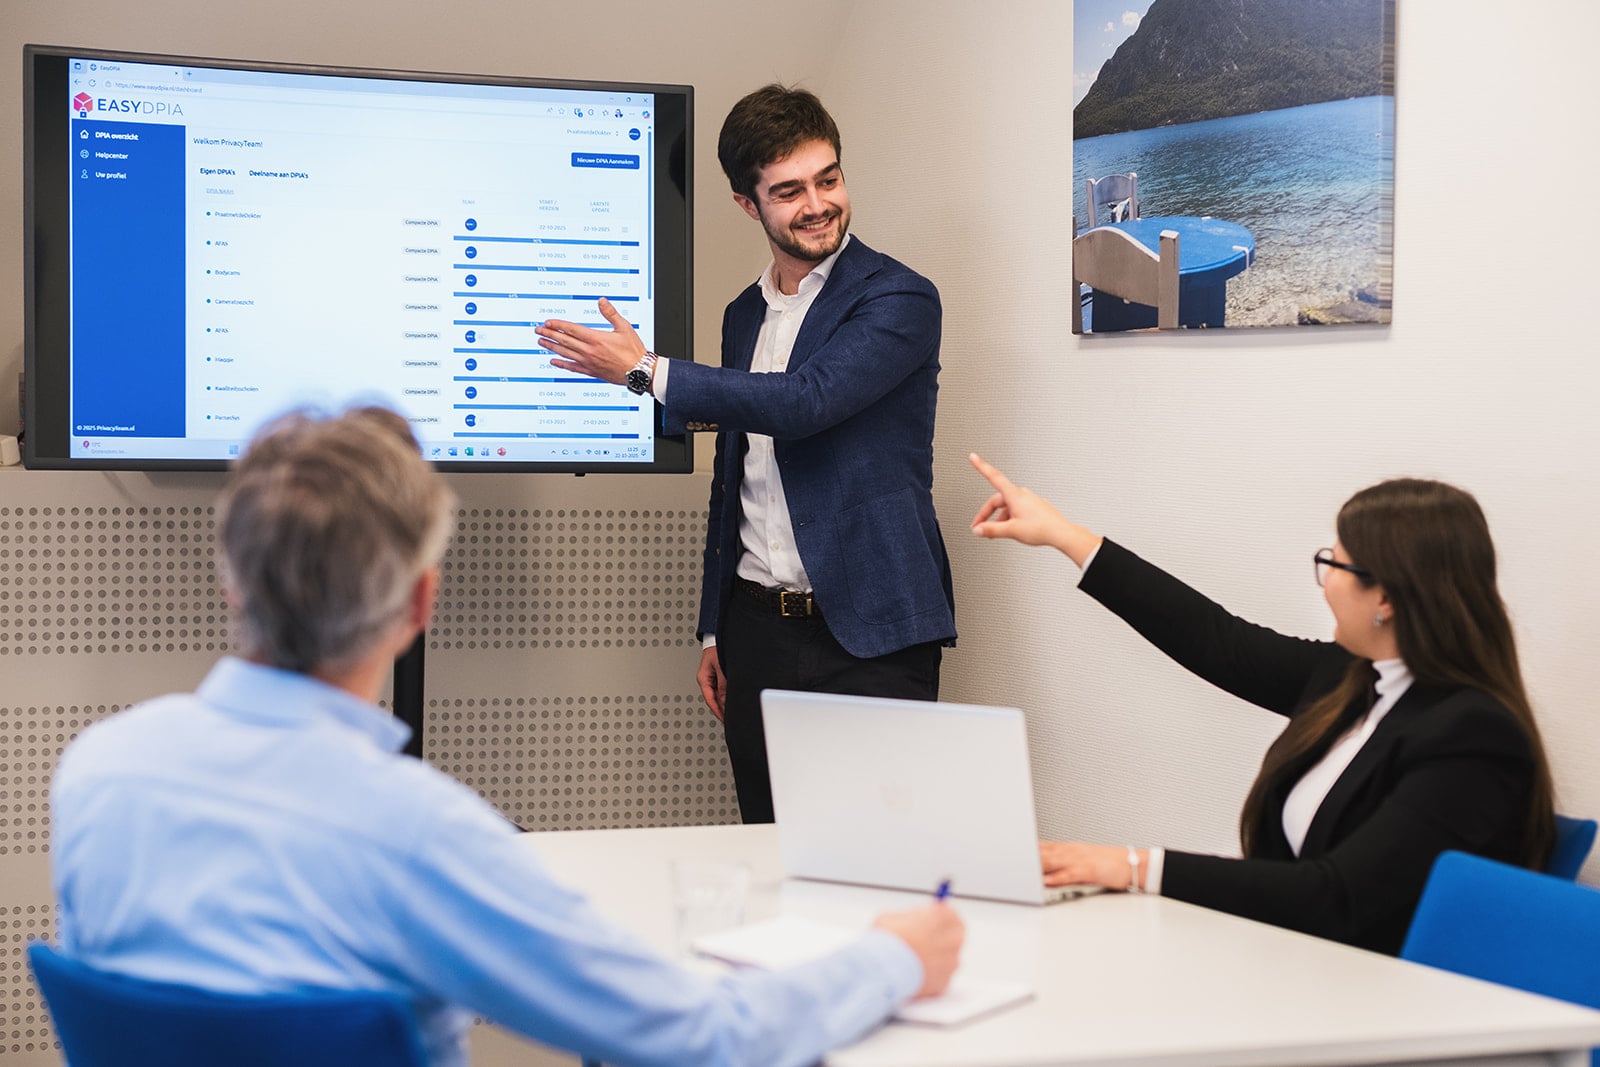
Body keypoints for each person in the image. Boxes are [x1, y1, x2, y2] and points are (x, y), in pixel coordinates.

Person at [48, 407, 964, 1067]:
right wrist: (893, 956)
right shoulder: (415, 831)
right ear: (419, 602)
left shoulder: (98, 773)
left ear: (232, 583)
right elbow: (699, 1039)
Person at [536, 85, 956, 824]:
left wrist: (648, 371)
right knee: (769, 849)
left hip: (871, 637)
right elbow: (732, 477)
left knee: (881, 859)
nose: (818, 203)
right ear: (747, 204)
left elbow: (804, 402)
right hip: (757, 633)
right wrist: (714, 627)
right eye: (789, 191)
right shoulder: (743, 314)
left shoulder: (899, 299)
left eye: (829, 179)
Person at [967, 452, 1554, 956]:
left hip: (1390, 1007)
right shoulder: (1353, 678)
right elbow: (1217, 641)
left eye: (1335, 564)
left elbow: (1337, 898)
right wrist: (1066, 536)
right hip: (1293, 963)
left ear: (1387, 598)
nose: (1323, 581)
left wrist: (1135, 867)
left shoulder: (1471, 736)